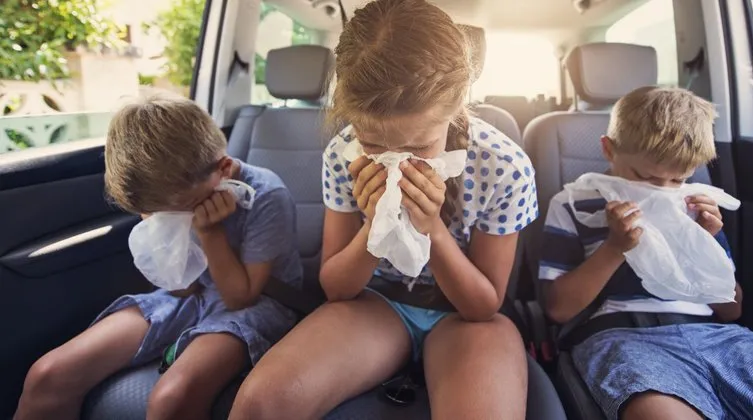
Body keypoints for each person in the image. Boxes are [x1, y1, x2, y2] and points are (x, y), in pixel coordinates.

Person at [228, 0, 538, 419]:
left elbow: (483, 306)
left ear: (457, 103)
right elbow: (336, 288)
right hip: (377, 303)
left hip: (464, 318)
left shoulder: (505, 166)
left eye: (419, 147)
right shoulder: (343, 154)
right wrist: (375, 225)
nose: (397, 162)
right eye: (374, 145)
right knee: (258, 406)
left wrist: (433, 229)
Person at [14, 96, 303, 420]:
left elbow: (240, 298)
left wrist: (210, 234)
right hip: (193, 296)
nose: (167, 218)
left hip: (258, 304)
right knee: (47, 374)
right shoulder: (164, 200)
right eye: (154, 214)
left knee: (171, 398)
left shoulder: (266, 196)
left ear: (222, 170)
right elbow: (182, 287)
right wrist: (162, 232)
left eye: (180, 210)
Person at [540, 86, 753, 420]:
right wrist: (615, 247)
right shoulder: (573, 203)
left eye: (677, 179)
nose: (662, 191)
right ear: (608, 150)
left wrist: (705, 242)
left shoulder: (693, 207)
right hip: (622, 337)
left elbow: (731, 309)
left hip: (716, 337)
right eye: (645, 177)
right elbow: (558, 310)